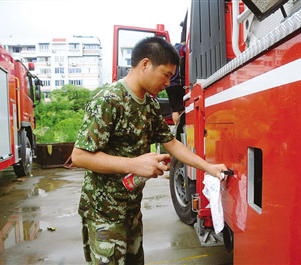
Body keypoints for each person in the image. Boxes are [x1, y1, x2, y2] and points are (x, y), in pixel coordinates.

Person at [71, 36, 227, 265]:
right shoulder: (108, 101)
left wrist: (209, 167)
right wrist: (135, 164)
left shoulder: (150, 105)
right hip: (104, 214)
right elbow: (79, 156)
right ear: (145, 64)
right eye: (165, 75)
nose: (167, 83)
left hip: (131, 210)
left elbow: (171, 143)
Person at [165, 41, 186, 125]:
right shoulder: (183, 49)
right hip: (179, 84)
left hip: (169, 85)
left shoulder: (170, 51)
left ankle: (176, 127)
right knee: (183, 107)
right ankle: (181, 126)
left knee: (175, 109)